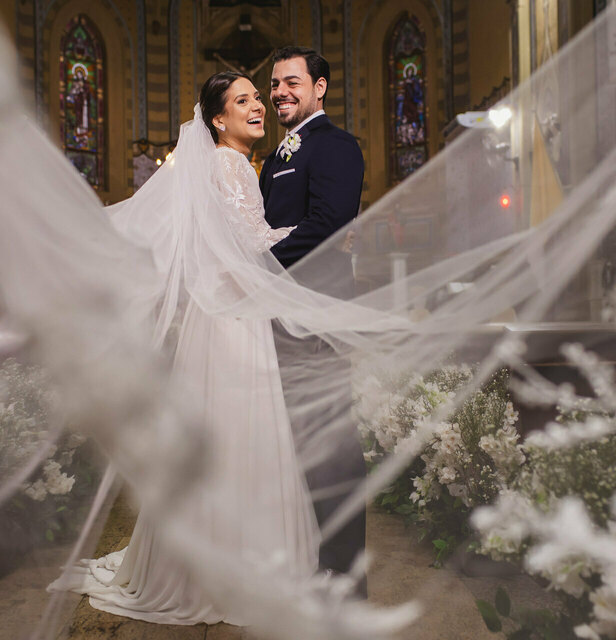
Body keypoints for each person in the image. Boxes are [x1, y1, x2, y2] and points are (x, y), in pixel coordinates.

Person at [47, 71, 320, 624]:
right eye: (243, 101)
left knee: (224, 433)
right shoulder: (228, 164)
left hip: (220, 316)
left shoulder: (228, 165)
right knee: (238, 431)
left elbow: (233, 243)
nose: (257, 107)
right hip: (232, 320)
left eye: (256, 98)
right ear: (217, 120)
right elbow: (249, 246)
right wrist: (313, 232)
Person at [260, 46, 368, 592]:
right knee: (291, 445)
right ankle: (305, 557)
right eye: (275, 83)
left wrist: (255, 267)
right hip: (277, 319)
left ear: (320, 87)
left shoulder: (336, 146)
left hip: (319, 320)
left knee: (332, 447)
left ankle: (344, 572)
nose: (280, 91)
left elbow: (327, 224)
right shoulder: (274, 156)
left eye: (292, 82)